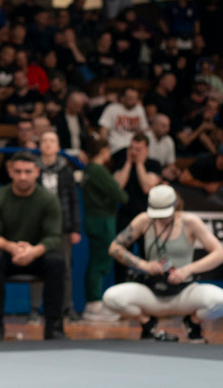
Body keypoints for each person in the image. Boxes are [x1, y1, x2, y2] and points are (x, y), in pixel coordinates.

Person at [104, 185, 223, 342]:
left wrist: (186, 270)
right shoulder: (144, 220)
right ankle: (148, 324)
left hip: (184, 291)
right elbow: (114, 247)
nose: (161, 218)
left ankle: (192, 323)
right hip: (152, 291)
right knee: (111, 297)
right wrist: (143, 265)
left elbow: (219, 254)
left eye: (164, 214)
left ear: (174, 205)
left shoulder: (190, 221)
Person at [0, 152, 65, 341]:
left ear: (37, 172)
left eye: (27, 171)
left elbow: (53, 237)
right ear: (10, 172)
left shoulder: (48, 200)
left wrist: (33, 252)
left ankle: (53, 327)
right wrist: (12, 248)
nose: (22, 176)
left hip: (37, 256)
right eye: (18, 171)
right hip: (8, 256)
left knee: (57, 261)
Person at [30, 131, 80, 321]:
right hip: (38, 227)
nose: (48, 144)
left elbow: (73, 201)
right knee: (35, 267)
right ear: (40, 145)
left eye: (52, 141)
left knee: (65, 269)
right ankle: (35, 310)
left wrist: (75, 228)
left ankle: (68, 308)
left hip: (62, 228)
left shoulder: (66, 171)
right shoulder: (32, 169)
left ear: (58, 147)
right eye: (44, 140)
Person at [79, 138, 127, 322]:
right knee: (99, 262)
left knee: (96, 261)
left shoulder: (89, 170)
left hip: (95, 219)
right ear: (104, 151)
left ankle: (94, 304)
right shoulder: (98, 170)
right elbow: (121, 195)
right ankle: (94, 306)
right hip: (102, 221)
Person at [109, 133, 163, 282]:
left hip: (147, 218)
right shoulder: (121, 163)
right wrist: (128, 162)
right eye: (131, 148)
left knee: (149, 254)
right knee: (120, 256)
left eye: (138, 149)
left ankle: (151, 286)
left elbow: (147, 187)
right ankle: (120, 286)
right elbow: (118, 186)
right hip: (125, 215)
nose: (134, 152)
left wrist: (139, 163)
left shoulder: (153, 164)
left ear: (146, 149)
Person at [99, 87, 147, 155]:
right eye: (130, 98)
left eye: (135, 98)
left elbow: (144, 130)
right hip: (117, 148)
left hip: (135, 148)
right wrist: (105, 147)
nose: (133, 101)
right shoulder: (112, 108)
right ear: (122, 98)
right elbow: (103, 130)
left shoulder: (140, 110)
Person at [145, 114, 178, 180]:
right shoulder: (145, 139)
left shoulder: (169, 140)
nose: (167, 129)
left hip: (162, 173)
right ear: (154, 125)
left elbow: (170, 164)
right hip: (146, 173)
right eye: (164, 126)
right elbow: (142, 165)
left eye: (168, 126)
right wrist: (161, 173)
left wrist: (174, 171)